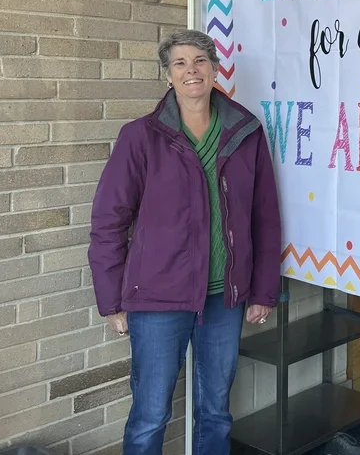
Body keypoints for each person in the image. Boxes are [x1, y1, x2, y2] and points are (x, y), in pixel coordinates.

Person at [89, 30, 282, 455]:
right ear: (168, 75)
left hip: (222, 299)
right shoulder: (141, 137)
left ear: (215, 69)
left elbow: (265, 218)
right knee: (150, 416)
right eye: (179, 63)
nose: (191, 70)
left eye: (199, 61)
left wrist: (263, 290)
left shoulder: (246, 132)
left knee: (215, 410)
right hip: (157, 298)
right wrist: (113, 299)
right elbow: (108, 221)